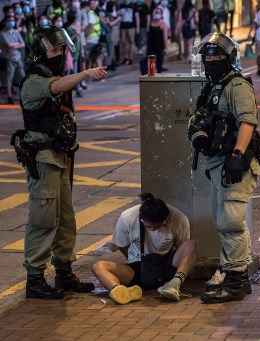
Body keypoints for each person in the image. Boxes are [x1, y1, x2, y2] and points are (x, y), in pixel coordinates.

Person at [14, 26, 107, 299]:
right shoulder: (34, 80)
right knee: (44, 220)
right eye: (56, 50)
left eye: (62, 50)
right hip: (43, 159)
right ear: (41, 52)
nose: (60, 55)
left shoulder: (53, 74)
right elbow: (55, 87)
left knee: (65, 219)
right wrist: (85, 74)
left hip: (60, 156)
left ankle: (64, 273)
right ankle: (35, 279)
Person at [187, 32, 260, 304]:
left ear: (229, 58)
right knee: (223, 221)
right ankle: (231, 273)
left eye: (217, 56)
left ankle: (237, 280)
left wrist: (237, 154)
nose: (211, 60)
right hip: (217, 163)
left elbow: (247, 122)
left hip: (235, 163)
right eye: (208, 56)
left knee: (231, 221)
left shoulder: (237, 86)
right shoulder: (213, 86)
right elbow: (200, 119)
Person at [92, 193, 196, 304]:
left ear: (165, 219)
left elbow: (182, 248)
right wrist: (135, 261)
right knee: (98, 266)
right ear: (141, 219)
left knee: (190, 244)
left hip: (167, 266)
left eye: (157, 227)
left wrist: (175, 272)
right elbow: (122, 245)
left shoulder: (179, 219)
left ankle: (174, 284)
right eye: (149, 227)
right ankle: (120, 291)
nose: (153, 230)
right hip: (139, 268)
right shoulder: (127, 217)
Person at [0, 15, 25, 104]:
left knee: (23, 77)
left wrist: (15, 45)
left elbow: (23, 44)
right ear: (5, 22)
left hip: (18, 57)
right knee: (9, 78)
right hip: (9, 58)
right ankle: (9, 97)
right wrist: (17, 44)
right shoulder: (2, 33)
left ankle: (24, 95)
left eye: (13, 20)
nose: (12, 22)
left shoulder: (16, 32)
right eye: (10, 20)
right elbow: (8, 45)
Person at [143, 6, 169, 74]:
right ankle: (151, 78)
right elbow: (148, 36)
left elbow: (165, 37)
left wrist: (166, 48)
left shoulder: (163, 24)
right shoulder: (150, 23)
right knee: (151, 66)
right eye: (155, 12)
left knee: (159, 65)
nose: (156, 13)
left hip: (159, 47)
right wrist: (146, 46)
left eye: (158, 12)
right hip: (151, 47)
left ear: (161, 14)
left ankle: (158, 78)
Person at [119, 0, 138, 65]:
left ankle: (131, 58)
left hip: (131, 26)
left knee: (131, 42)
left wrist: (137, 27)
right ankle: (125, 57)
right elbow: (119, 15)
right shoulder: (121, 5)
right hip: (123, 26)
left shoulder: (133, 5)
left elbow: (136, 16)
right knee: (124, 42)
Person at [248, 2, 260, 76]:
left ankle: (259, 69)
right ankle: (259, 69)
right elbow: (255, 24)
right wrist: (250, 33)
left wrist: (250, 33)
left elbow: (255, 24)